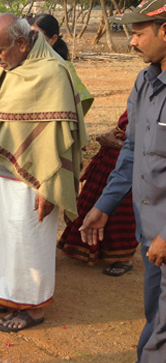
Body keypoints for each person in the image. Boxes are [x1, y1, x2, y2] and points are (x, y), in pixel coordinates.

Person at [0, 14, 87, 332]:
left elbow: (60, 140)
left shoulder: (55, 73)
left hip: (37, 176)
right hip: (0, 165)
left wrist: (49, 189)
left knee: (27, 239)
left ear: (21, 43)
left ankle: (33, 306)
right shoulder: (10, 67)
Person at [80, 0, 166, 363]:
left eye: (139, 33)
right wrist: (104, 204)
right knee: (155, 305)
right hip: (150, 224)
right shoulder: (146, 81)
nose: (131, 42)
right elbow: (131, 151)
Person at [30, 14, 138, 275]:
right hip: (120, 140)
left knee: (120, 202)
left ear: (54, 39)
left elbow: (74, 111)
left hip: (116, 146)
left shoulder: (61, 69)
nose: (133, 42)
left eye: (39, 36)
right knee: (95, 196)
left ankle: (120, 255)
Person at [58, 110, 138, 275]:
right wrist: (110, 135)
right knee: (96, 204)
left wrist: (118, 144)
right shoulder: (146, 87)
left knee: (122, 210)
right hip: (116, 158)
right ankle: (88, 247)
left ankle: (122, 257)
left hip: (130, 163)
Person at [29, 14, 94, 115]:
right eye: (29, 37)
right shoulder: (22, 67)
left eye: (38, 38)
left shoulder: (62, 69)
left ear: (53, 39)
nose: (32, 43)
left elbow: (78, 106)